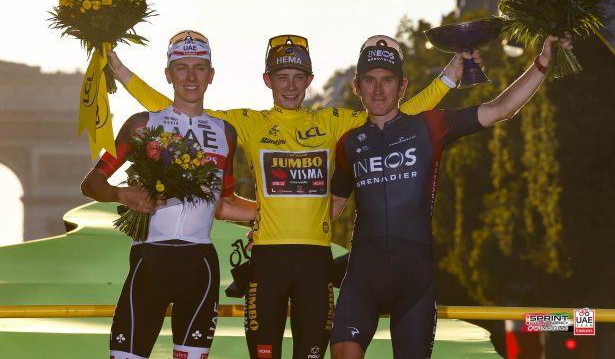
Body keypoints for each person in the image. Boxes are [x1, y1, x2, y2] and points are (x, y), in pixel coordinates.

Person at [107, 33, 463, 359]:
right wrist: (123, 74)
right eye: (281, 77)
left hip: (316, 263)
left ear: (309, 80)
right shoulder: (250, 123)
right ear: (268, 80)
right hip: (266, 262)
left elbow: (403, 116)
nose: (290, 86)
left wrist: (447, 79)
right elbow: (181, 111)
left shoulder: (331, 122)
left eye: (298, 77)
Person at [329, 34, 573, 358]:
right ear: (357, 87)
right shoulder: (347, 144)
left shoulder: (428, 126)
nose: (378, 89)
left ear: (402, 87)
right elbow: (330, 208)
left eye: (387, 80)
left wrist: (542, 61)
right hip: (361, 278)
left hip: (414, 282)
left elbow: (500, 109)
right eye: (369, 81)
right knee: (343, 354)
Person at [81, 30, 255, 359]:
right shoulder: (142, 124)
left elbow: (224, 204)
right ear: (168, 74)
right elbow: (92, 182)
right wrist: (122, 194)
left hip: (200, 264)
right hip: (150, 260)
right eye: (181, 68)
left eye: (199, 68)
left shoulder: (225, 133)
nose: (191, 78)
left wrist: (276, 215)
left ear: (211, 75)